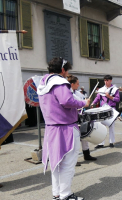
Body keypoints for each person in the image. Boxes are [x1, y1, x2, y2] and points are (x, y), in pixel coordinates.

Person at [37, 57, 90, 200]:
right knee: (68, 163)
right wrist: (83, 103)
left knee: (56, 162)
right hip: (65, 128)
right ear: (62, 70)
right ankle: (65, 194)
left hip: (51, 128)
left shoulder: (43, 82)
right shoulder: (60, 82)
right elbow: (67, 100)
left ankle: (57, 193)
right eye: (67, 71)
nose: (67, 74)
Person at [67, 75, 97, 165]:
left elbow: (82, 100)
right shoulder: (68, 92)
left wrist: (85, 101)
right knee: (73, 141)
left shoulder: (77, 93)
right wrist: (85, 102)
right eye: (77, 84)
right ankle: (72, 160)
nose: (78, 85)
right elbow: (78, 103)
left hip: (79, 116)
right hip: (70, 119)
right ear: (72, 84)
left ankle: (86, 154)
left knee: (84, 136)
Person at [91, 75, 120, 148]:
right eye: (105, 80)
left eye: (107, 80)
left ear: (110, 80)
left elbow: (117, 99)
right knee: (102, 126)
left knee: (111, 126)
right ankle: (101, 143)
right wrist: (93, 103)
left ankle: (111, 142)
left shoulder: (115, 89)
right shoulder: (101, 89)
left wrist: (109, 96)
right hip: (103, 109)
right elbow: (97, 98)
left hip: (111, 108)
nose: (106, 82)